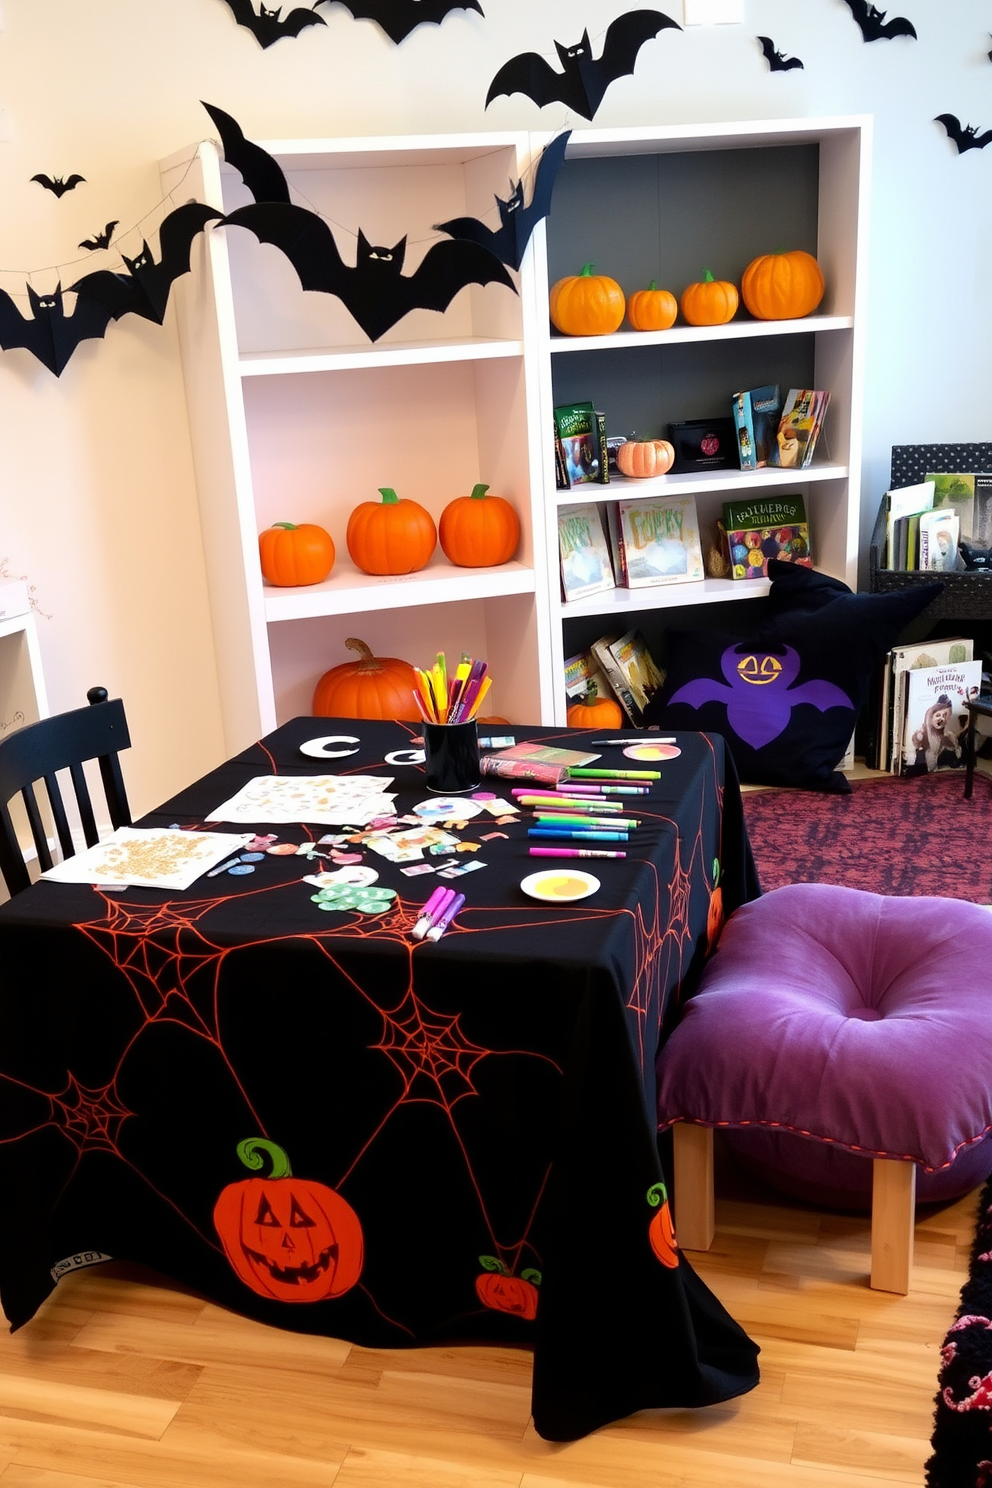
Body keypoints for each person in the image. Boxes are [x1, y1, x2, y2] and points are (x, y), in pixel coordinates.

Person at [904, 693, 965, 774]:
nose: (941, 718)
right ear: (931, 717)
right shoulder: (923, 732)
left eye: (945, 716)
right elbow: (916, 742)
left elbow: (957, 753)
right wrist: (918, 737)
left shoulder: (949, 735)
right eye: (938, 715)